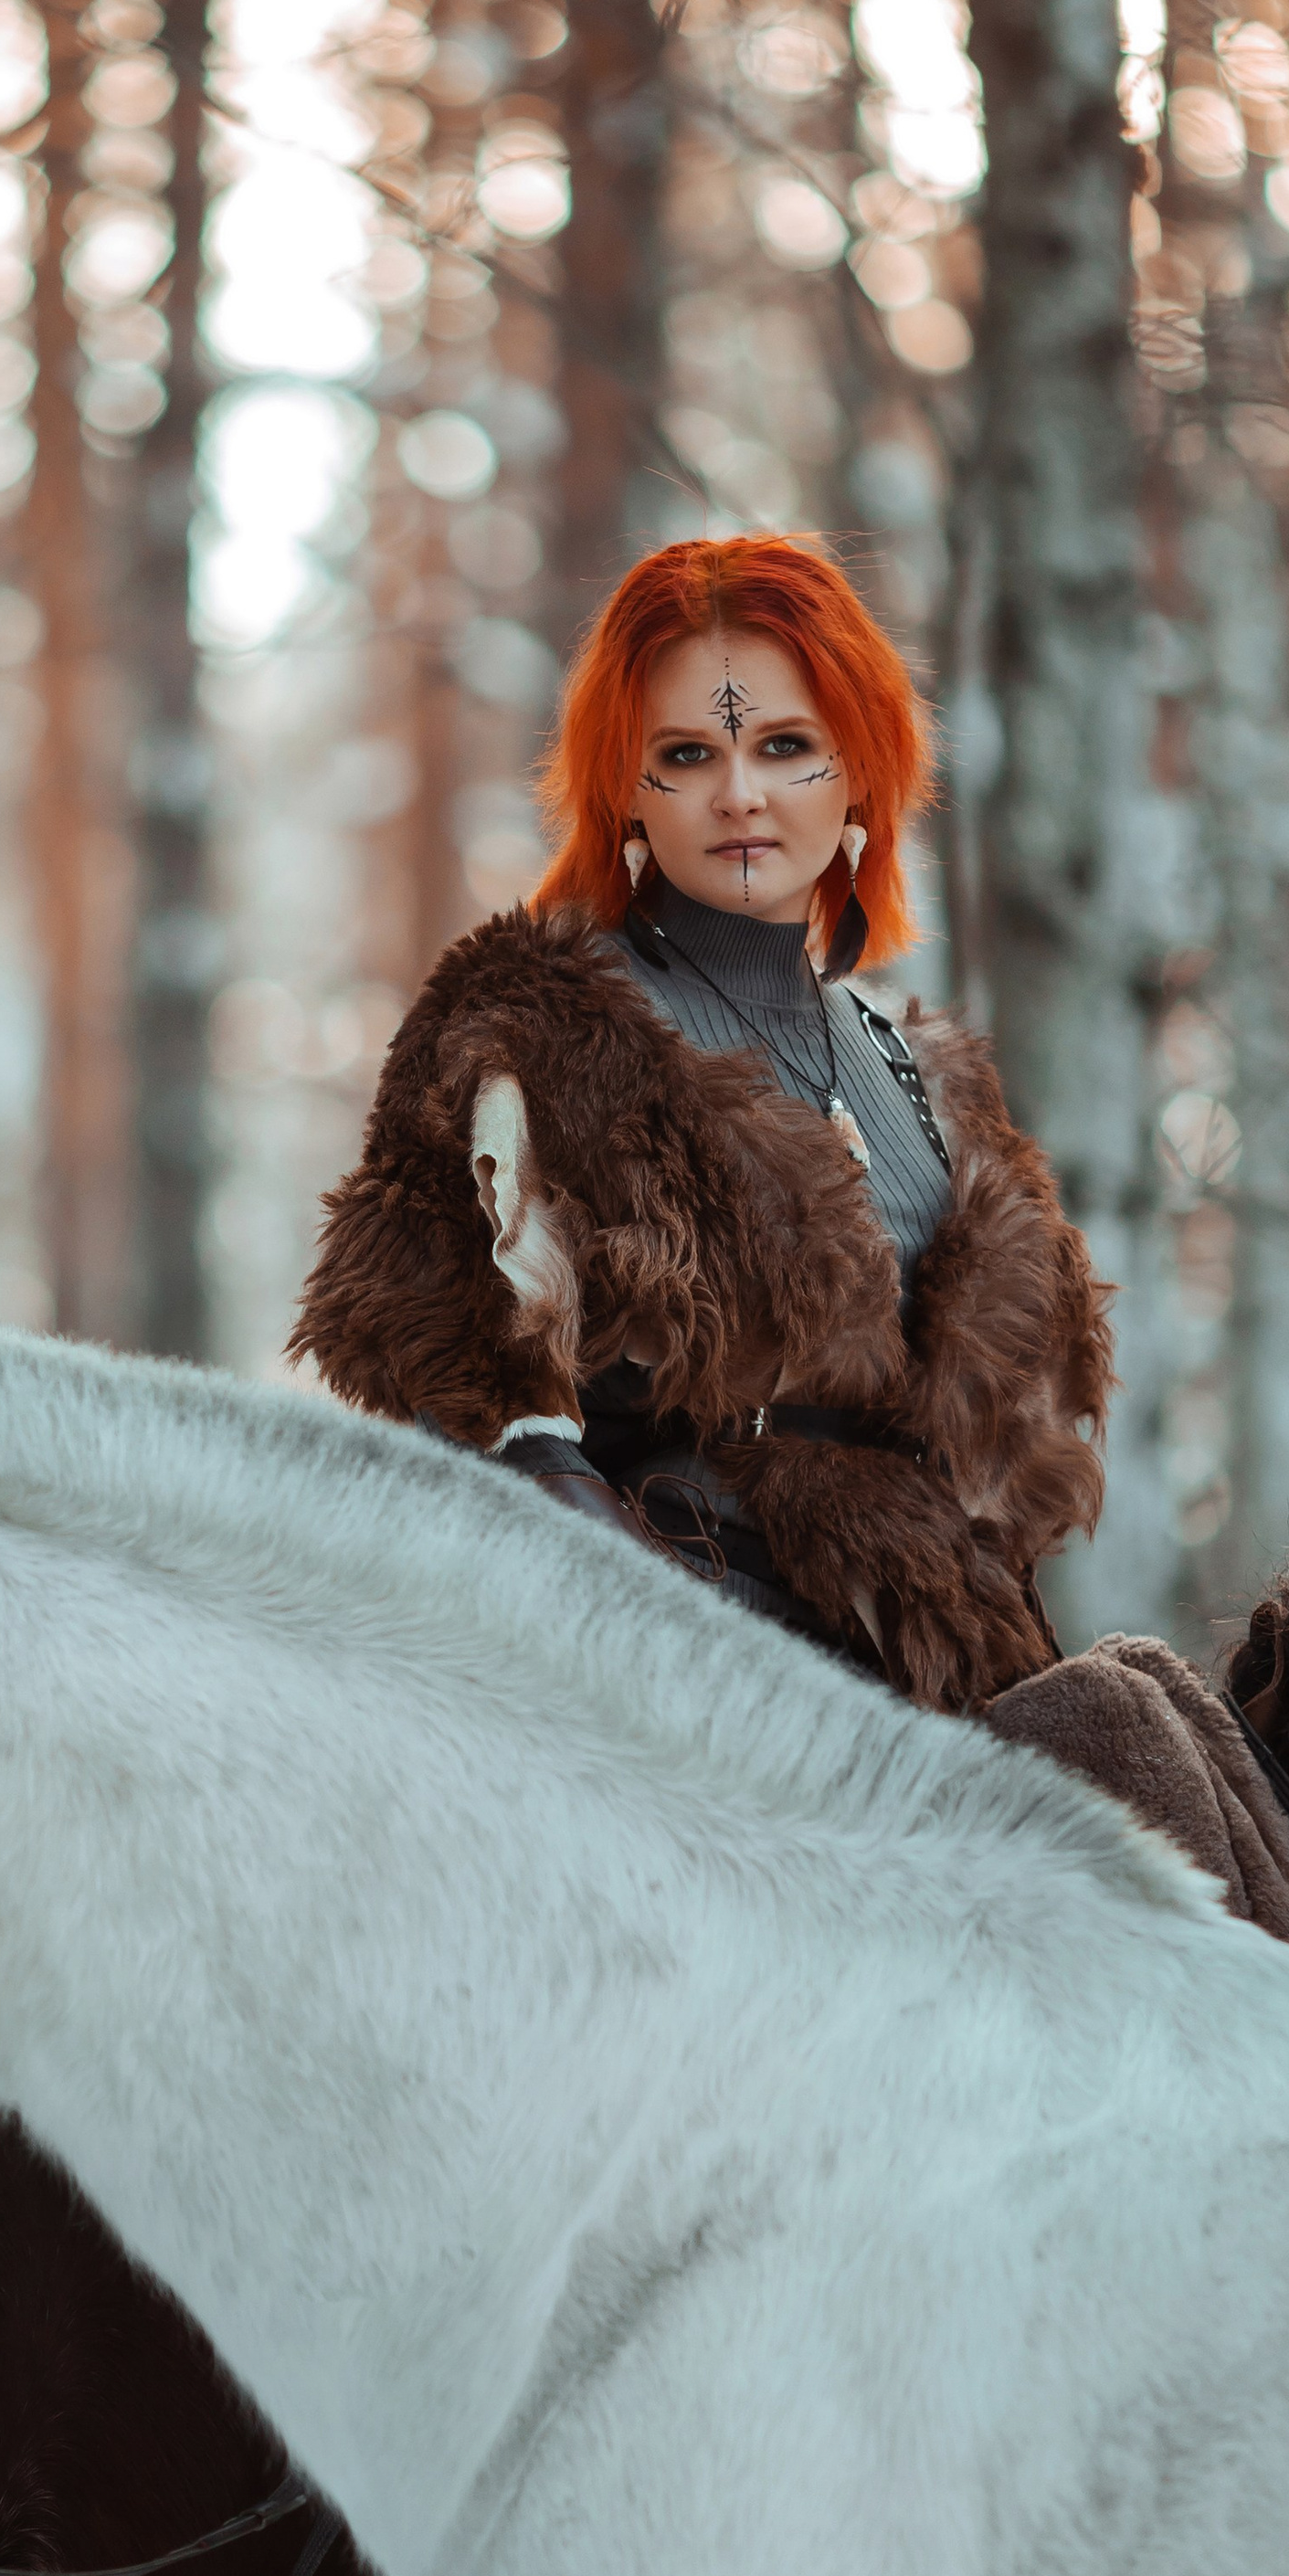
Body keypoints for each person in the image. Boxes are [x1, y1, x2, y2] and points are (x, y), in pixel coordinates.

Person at [291, 535, 1113, 1715]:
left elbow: (1000, 1449)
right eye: (687, 754)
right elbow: (469, 1395)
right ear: (626, 788)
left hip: (947, 1667)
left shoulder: (919, 1068)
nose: (739, 795)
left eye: (784, 746)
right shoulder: (538, 1022)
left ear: (859, 768)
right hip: (666, 1674)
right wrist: (657, 1650)